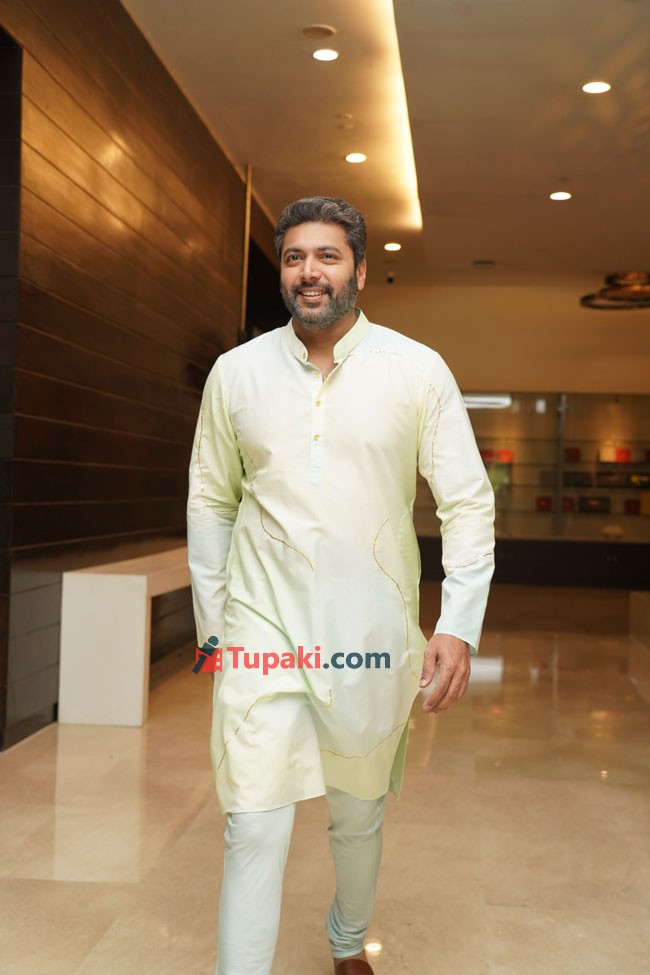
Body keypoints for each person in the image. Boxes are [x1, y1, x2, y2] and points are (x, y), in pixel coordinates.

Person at [187, 196, 495, 975]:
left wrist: (457, 623)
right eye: (295, 257)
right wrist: (216, 629)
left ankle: (347, 938)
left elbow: (466, 501)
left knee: (357, 813)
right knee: (254, 822)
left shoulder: (416, 369)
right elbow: (211, 501)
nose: (309, 271)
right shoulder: (236, 374)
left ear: (359, 268)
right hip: (260, 630)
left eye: (327, 255)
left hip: (370, 634)